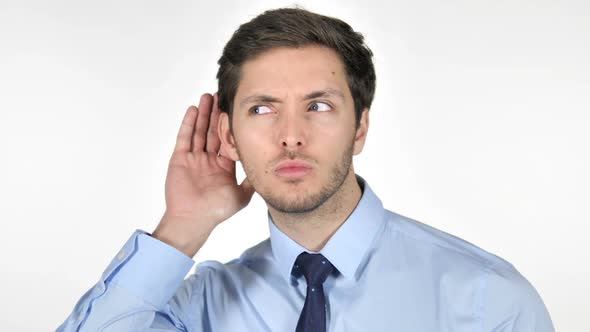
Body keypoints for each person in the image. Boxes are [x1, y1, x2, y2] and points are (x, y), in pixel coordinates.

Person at [57, 7, 554, 332]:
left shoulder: (488, 300)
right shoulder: (201, 308)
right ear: (228, 136)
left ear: (359, 127)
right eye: (262, 109)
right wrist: (182, 227)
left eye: (318, 106)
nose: (290, 134)